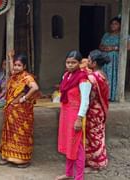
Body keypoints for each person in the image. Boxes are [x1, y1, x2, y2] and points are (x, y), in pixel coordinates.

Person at [0, 50, 39, 168]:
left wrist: (23, 99)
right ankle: (7, 156)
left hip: (22, 113)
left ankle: (23, 160)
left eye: (19, 65)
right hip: (11, 112)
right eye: (15, 65)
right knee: (10, 133)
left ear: (24, 66)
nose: (16, 67)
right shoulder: (15, 75)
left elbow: (35, 88)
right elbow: (12, 70)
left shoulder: (26, 77)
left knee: (21, 135)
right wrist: (11, 58)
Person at [56, 50, 92, 180]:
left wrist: (79, 119)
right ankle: (68, 173)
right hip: (66, 113)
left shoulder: (83, 79)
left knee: (77, 145)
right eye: (68, 62)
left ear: (79, 63)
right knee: (68, 143)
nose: (70, 65)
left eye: (73, 62)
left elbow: (85, 101)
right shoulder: (66, 76)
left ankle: (79, 177)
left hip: (75, 114)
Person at [85, 50, 110, 173]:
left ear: (94, 63)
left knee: (93, 137)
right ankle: (101, 160)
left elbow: (90, 96)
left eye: (89, 60)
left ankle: (95, 165)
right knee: (99, 135)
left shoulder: (92, 78)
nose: (87, 62)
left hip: (93, 111)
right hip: (100, 110)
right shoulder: (103, 75)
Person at [99, 16, 130, 101]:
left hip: (115, 60)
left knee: (113, 76)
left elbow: (128, 47)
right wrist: (104, 48)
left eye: (116, 24)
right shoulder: (106, 35)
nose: (113, 25)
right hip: (104, 59)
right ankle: (104, 96)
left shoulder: (123, 35)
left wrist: (114, 48)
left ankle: (112, 96)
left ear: (120, 25)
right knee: (104, 76)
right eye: (112, 24)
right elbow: (100, 45)